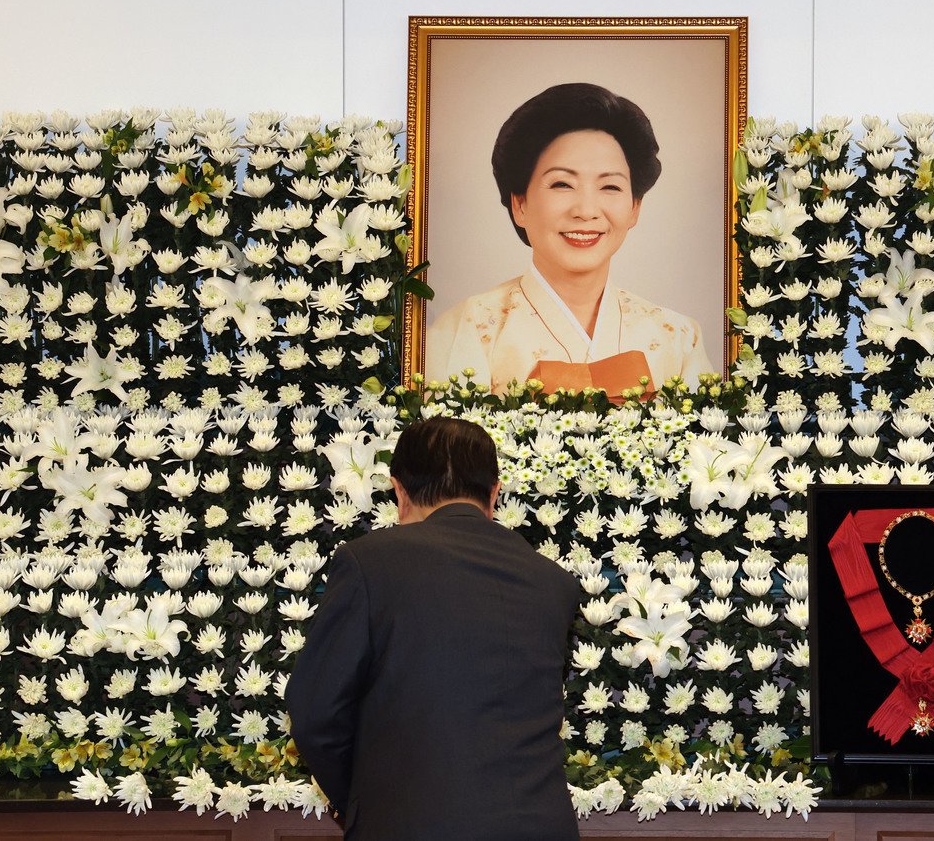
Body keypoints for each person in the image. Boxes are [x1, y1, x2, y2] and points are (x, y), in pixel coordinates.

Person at [286, 417, 582, 840]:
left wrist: (366, 800)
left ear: (399, 491)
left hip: (411, 824)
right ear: (494, 494)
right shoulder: (553, 580)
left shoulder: (369, 563)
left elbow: (315, 711)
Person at [425, 81, 715, 397]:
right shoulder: (465, 330)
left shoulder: (680, 339)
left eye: (610, 187)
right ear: (520, 205)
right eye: (562, 184)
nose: (586, 211)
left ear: (634, 208)